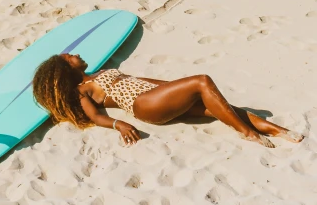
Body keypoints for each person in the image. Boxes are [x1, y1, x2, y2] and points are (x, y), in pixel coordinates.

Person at [32, 53, 304, 148]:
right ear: (66, 68)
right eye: (69, 57)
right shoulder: (82, 89)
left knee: (219, 107)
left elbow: (140, 81)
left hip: (153, 95)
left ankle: (274, 130)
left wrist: (170, 86)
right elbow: (95, 116)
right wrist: (119, 125)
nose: (74, 54)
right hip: (144, 106)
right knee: (202, 81)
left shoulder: (99, 72)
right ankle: (247, 132)